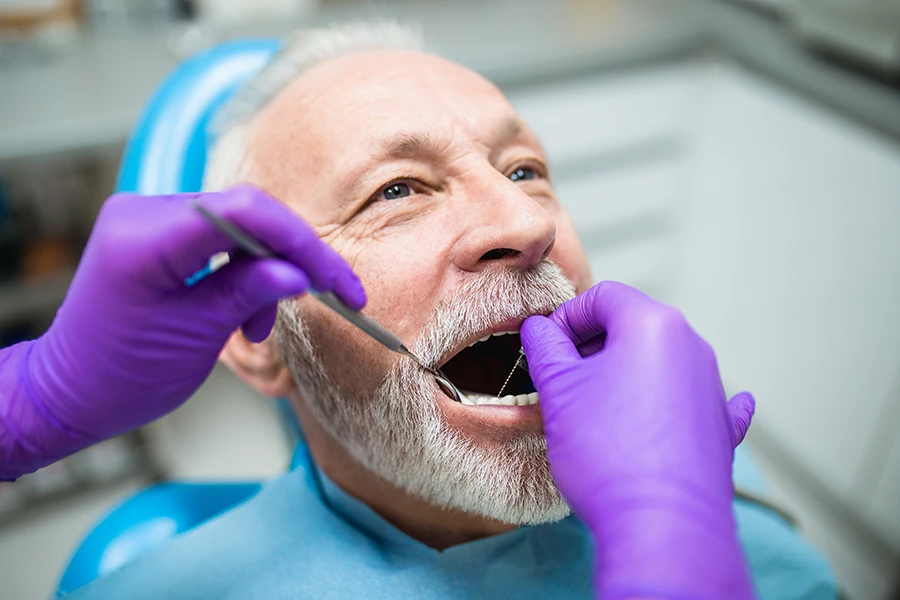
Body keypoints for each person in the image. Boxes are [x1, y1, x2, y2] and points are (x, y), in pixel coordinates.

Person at [0, 22, 836, 600]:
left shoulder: (705, 469)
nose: (525, 224)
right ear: (255, 337)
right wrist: (31, 398)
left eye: (524, 171)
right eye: (396, 190)